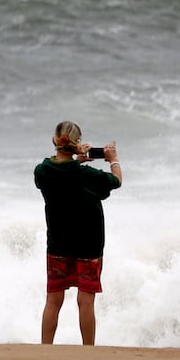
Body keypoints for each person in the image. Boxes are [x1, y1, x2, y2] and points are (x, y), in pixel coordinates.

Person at [34, 120, 123, 345]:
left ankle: (45, 348)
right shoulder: (85, 175)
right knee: (86, 300)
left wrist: (77, 161)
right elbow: (116, 181)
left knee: (53, 300)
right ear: (77, 143)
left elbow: (61, 172)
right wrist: (113, 159)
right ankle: (88, 349)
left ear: (56, 141)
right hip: (88, 243)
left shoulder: (42, 171)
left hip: (58, 243)